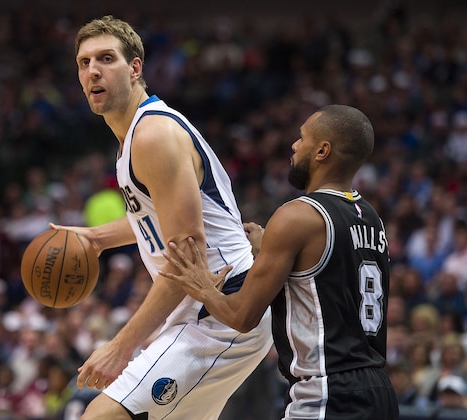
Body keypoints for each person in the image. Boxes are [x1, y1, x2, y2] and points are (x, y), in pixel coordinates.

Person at [50, 15, 272, 419]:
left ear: (135, 68)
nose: (93, 71)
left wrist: (122, 345)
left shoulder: (153, 135)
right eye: (84, 63)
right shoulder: (133, 136)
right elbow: (158, 220)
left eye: (106, 58)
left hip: (222, 307)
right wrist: (97, 238)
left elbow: (188, 255)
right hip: (202, 309)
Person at [161, 105, 399, 419]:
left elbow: (243, 316)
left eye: (302, 138)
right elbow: (324, 284)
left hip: (329, 393)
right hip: (380, 392)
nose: (294, 145)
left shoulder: (297, 215)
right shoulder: (371, 217)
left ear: (322, 151)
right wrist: (270, 247)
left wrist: (204, 289)